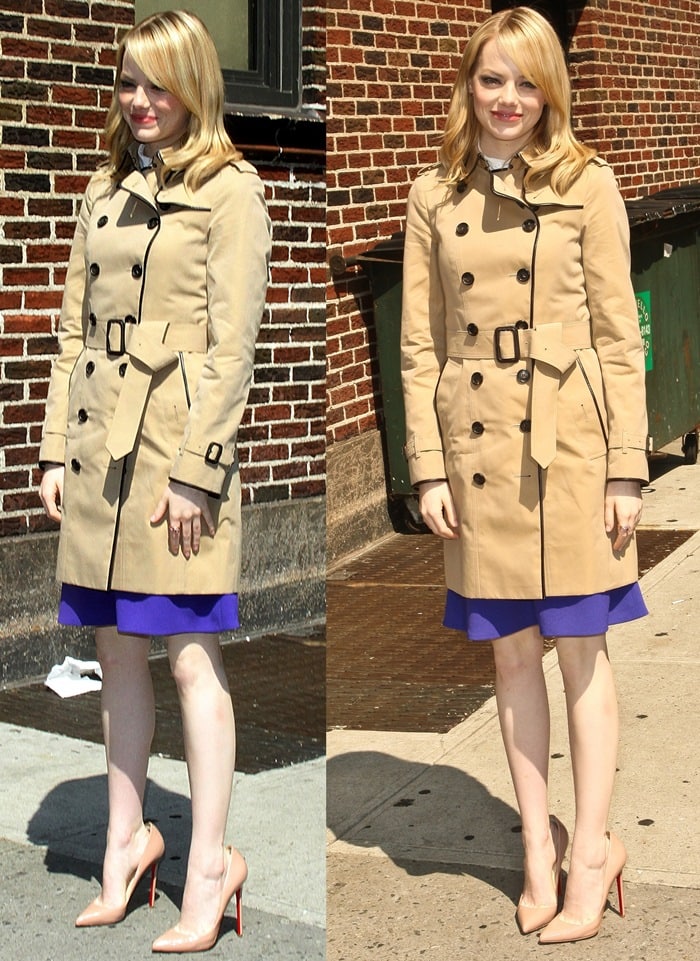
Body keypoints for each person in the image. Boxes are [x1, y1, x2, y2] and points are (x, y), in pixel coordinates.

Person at [401, 7, 648, 945]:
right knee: (511, 656)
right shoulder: (433, 192)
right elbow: (418, 342)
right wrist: (428, 468)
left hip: (573, 445)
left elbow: (623, 339)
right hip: (480, 453)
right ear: (469, 83)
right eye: (491, 79)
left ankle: (591, 848)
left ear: (552, 90)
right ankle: (538, 855)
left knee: (582, 650)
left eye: (526, 82)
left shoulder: (590, 183)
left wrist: (629, 469)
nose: (508, 100)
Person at [39, 10, 270, 953]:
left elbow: (232, 347)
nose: (140, 100)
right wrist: (56, 449)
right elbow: (72, 334)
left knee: (188, 658)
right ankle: (127, 842)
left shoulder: (232, 192)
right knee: (117, 655)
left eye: (158, 83)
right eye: (129, 81)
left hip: (177, 462)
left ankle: (210, 861)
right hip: (99, 461)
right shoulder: (102, 184)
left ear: (195, 87)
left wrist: (198, 474)